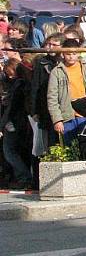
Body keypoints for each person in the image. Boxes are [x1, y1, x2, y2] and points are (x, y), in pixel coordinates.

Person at [46, 38, 86, 145]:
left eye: (74, 53)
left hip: (85, 114)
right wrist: (57, 120)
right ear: (62, 54)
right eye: (68, 54)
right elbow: (52, 98)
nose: (71, 56)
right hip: (67, 117)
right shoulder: (57, 72)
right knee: (69, 149)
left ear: (79, 53)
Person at [0, 58, 33, 188]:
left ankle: (24, 177)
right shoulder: (23, 83)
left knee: (9, 151)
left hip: (14, 123)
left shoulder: (18, 84)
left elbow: (11, 108)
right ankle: (21, 177)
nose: (9, 76)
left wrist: (1, 126)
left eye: (10, 73)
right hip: (20, 122)